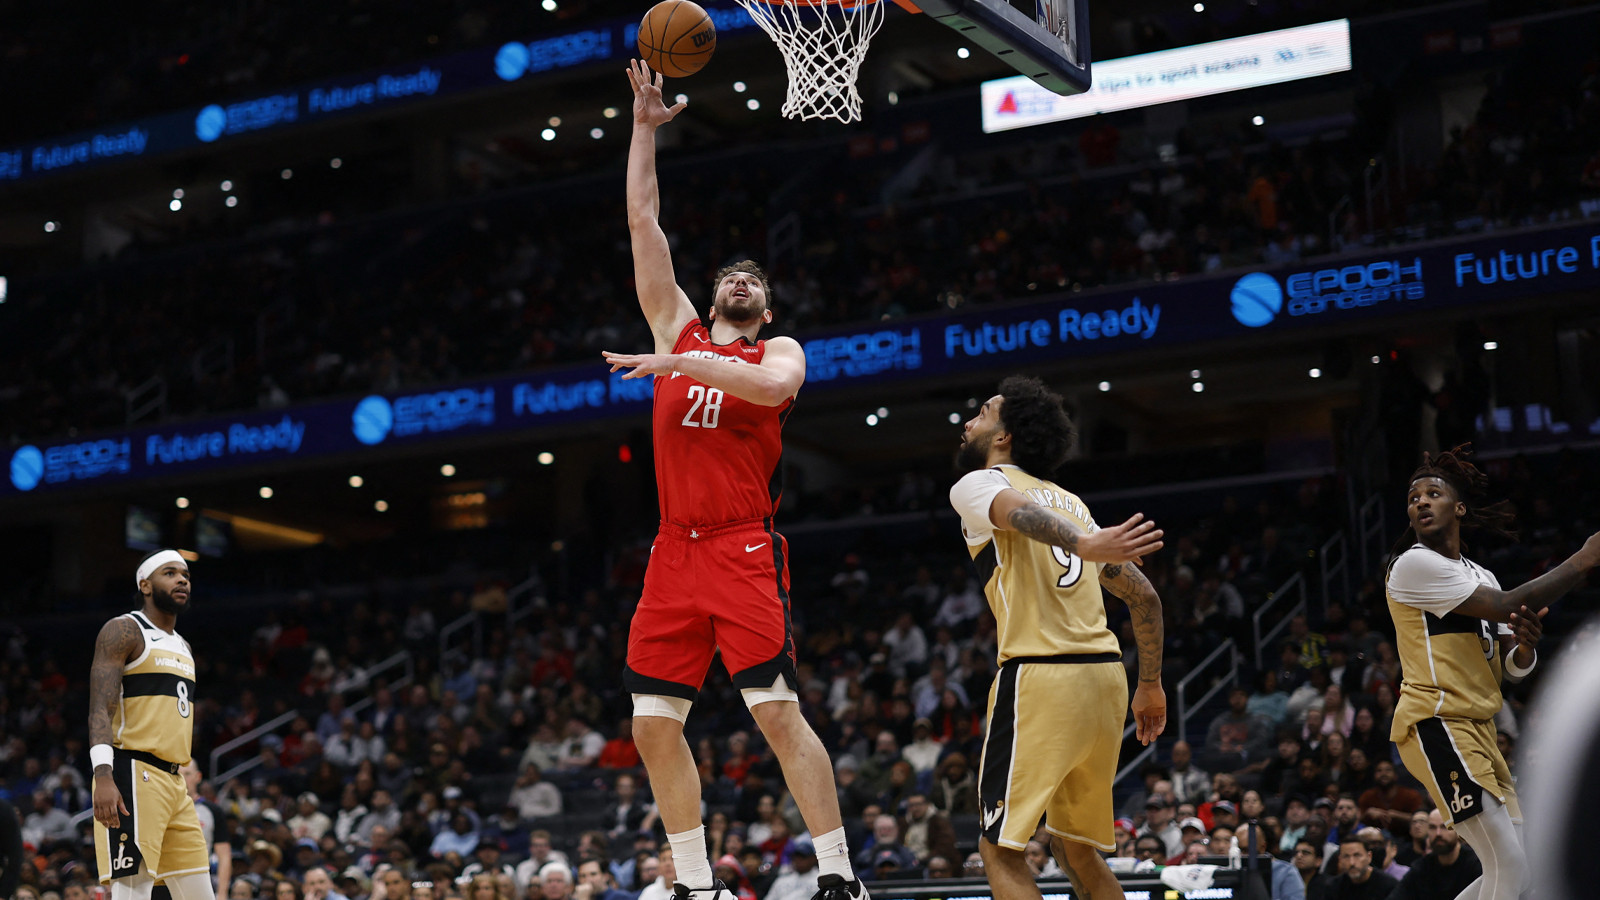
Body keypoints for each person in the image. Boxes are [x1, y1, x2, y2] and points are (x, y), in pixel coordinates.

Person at [602, 58, 863, 900]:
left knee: (777, 713)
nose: (741, 281)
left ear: (767, 307)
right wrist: (643, 131)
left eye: (755, 281)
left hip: (744, 546)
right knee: (650, 727)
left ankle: (837, 876)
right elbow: (644, 221)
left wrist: (682, 358)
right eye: (729, 279)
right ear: (709, 298)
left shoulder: (773, 351)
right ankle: (693, 882)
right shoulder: (676, 325)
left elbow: (772, 389)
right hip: (673, 552)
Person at [948, 376, 1167, 900]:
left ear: (1004, 438)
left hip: (1041, 676)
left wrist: (1086, 545)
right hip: (1107, 682)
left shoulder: (980, 483)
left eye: (981, 413)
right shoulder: (1075, 504)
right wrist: (1151, 684)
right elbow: (1148, 600)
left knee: (998, 848)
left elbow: (1015, 514)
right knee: (1075, 849)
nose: (968, 422)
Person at [1386, 446, 1599, 900]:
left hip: (1480, 726)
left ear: (1458, 507)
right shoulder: (1412, 564)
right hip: (1437, 720)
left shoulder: (1481, 574)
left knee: (1519, 865)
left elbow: (1510, 669)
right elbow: (1504, 606)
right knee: (1510, 864)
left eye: (1433, 493)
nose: (1420, 501)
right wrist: (1582, 561)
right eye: (1413, 497)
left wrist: (1524, 647)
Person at [90, 550, 216, 900]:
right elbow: (100, 708)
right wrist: (103, 775)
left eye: (186, 575)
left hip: (176, 782)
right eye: (170, 573)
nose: (181, 580)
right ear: (145, 584)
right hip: (133, 773)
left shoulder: (184, 646)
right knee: (133, 892)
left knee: (200, 894)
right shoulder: (124, 630)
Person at [1388, 810, 1481, 900]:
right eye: (1432, 827)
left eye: (1445, 827)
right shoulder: (1421, 867)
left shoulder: (1476, 864)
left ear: (1457, 830)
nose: (1438, 833)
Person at [1322, 837, 1396, 900]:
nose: (1352, 863)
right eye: (1346, 856)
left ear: (1369, 857)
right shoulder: (1333, 887)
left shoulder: (1388, 886)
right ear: (1340, 860)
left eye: (1357, 855)